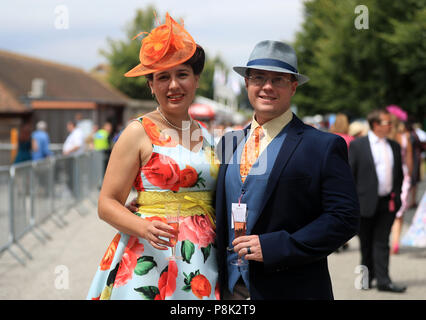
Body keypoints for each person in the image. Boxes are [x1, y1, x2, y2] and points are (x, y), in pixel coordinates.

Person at [86, 13, 219, 300]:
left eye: (182, 74)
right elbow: (106, 203)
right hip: (148, 257)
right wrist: (143, 227)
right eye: (163, 77)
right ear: (151, 85)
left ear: (196, 79)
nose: (173, 85)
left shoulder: (209, 136)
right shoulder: (137, 132)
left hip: (201, 260)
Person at [215, 40, 360, 300]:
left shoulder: (322, 146)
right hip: (228, 291)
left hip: (291, 289)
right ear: (247, 83)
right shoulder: (229, 142)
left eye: (278, 79)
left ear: (293, 87)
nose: (267, 86)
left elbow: (344, 218)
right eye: (259, 77)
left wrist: (277, 247)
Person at [349, 109, 406, 293]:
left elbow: (399, 175)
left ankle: (384, 281)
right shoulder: (359, 145)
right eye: (386, 122)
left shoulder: (394, 146)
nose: (390, 126)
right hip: (364, 204)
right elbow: (350, 175)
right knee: (365, 244)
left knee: (382, 243)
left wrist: (396, 197)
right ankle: (366, 278)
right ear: (375, 125)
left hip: (387, 203)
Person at [386, 110, 413, 255]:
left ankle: (390, 238)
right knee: (399, 210)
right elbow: (409, 161)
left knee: (388, 206)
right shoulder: (404, 138)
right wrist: (411, 175)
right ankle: (395, 241)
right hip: (402, 175)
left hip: (387, 174)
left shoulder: (385, 138)